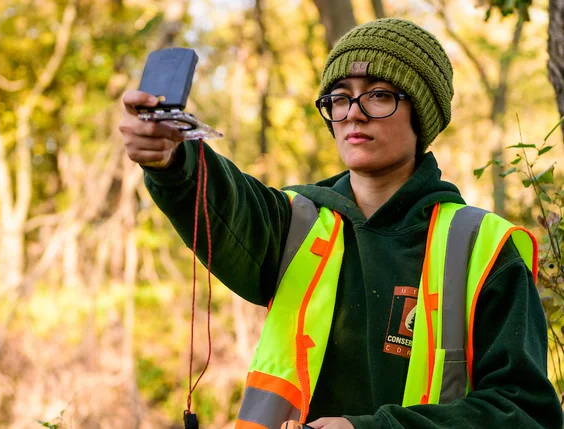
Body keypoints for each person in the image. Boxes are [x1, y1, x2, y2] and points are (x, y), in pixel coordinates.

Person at [118, 18, 563, 429]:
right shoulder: (296, 221)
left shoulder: (482, 249)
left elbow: (524, 412)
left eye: (379, 95)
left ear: (422, 114)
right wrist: (171, 159)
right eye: (339, 96)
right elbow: (226, 200)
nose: (353, 111)